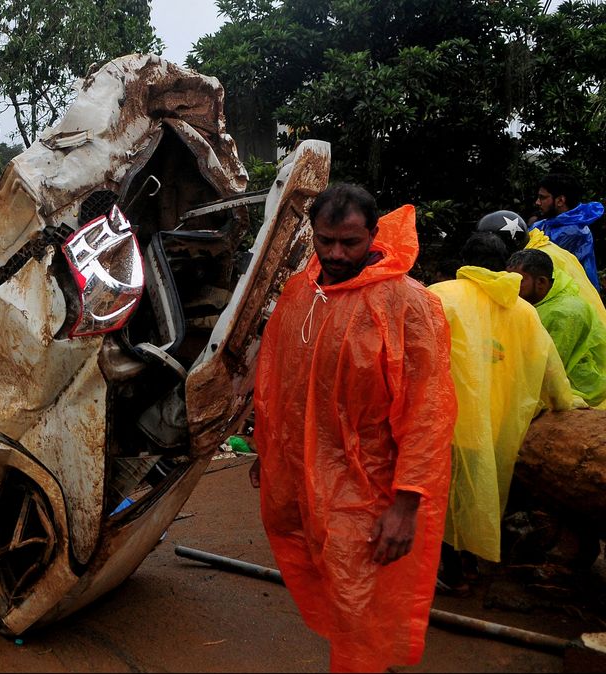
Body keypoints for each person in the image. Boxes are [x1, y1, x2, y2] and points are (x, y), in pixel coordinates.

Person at [252, 183, 457, 672]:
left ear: (373, 234)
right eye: (326, 241)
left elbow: (427, 415)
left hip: (370, 486)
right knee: (331, 590)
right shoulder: (303, 293)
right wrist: (268, 451)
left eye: (350, 242)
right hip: (307, 474)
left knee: (360, 603)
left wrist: (406, 504)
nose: (337, 254)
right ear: (313, 234)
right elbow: (277, 381)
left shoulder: (408, 305)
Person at [428, 233, 582, 585]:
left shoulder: (440, 296)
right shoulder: (524, 311)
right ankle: (468, 567)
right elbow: (550, 369)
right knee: (475, 496)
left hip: (444, 422)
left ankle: (453, 574)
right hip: (497, 428)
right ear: (503, 266)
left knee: (443, 499)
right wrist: (565, 403)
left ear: (462, 261)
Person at [507, 249, 606, 407]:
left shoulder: (564, 312)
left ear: (541, 282)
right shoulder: (541, 301)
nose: (511, 286)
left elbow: (550, 367)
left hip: (580, 388)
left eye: (519, 280)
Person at [531, 173, 601, 290]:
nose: (537, 202)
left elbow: (535, 262)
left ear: (560, 200)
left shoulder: (575, 231)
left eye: (542, 197)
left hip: (573, 297)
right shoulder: (545, 224)